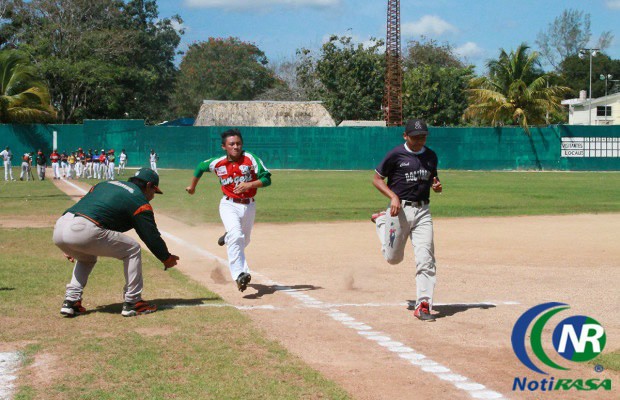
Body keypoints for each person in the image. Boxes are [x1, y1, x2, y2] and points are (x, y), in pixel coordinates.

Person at [53, 167, 180, 317]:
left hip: (61, 226)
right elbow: (150, 236)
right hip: (82, 229)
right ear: (148, 185)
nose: (153, 196)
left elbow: (83, 206)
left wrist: (69, 245)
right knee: (133, 249)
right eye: (154, 191)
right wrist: (165, 257)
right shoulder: (138, 198)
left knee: (86, 257)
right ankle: (133, 301)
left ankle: (71, 301)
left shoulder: (106, 184)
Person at [371, 119, 442, 322]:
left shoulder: (431, 156)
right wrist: (393, 196)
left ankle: (423, 304)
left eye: (423, 136)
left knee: (426, 258)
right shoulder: (396, 154)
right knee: (393, 258)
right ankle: (381, 222)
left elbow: (432, 180)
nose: (420, 140)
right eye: (415, 137)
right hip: (399, 212)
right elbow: (376, 179)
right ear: (405, 136)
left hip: (423, 212)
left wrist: (437, 186)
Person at [185, 129, 271, 293]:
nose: (236, 147)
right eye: (232, 144)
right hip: (228, 204)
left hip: (249, 205)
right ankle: (240, 275)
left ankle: (228, 235)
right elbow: (200, 167)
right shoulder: (218, 163)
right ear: (224, 146)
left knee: (243, 241)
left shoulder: (250, 159)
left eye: (238, 143)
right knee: (237, 237)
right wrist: (192, 187)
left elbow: (267, 179)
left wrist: (250, 184)